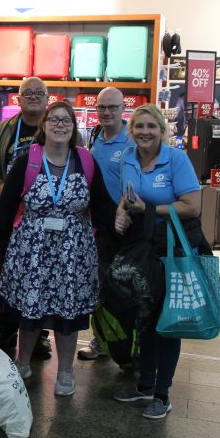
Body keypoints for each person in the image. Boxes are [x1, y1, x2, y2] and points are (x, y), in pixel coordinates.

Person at [0, 101, 115, 396]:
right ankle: (22, 362)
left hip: (73, 253)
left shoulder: (85, 161)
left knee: (68, 316)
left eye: (66, 120)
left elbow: (103, 205)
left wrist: (124, 228)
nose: (60, 125)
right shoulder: (29, 159)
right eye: (53, 120)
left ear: (73, 126)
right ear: (44, 125)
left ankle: (66, 372)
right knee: (30, 310)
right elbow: (6, 205)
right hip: (32, 251)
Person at [112, 104, 204, 419]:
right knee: (146, 318)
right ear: (131, 130)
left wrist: (149, 210)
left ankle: (162, 394)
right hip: (142, 247)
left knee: (168, 321)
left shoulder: (176, 159)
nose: (145, 132)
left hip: (173, 250)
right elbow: (128, 196)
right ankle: (145, 383)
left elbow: (192, 206)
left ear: (162, 130)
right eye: (139, 126)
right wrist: (123, 211)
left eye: (151, 126)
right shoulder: (127, 157)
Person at [0, 77, 56, 359]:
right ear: (19, 99)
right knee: (9, 273)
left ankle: (40, 334)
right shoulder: (5, 129)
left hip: (46, 218)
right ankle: (7, 327)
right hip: (11, 216)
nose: (34, 97)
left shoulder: (57, 127)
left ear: (47, 98)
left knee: (43, 274)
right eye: (28, 93)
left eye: (40, 92)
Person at [78, 86, 134, 362]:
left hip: (127, 225)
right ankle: (102, 338)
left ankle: (130, 345)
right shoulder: (95, 137)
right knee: (100, 284)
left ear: (124, 109)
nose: (107, 112)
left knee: (127, 286)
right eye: (102, 107)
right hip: (100, 226)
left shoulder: (133, 140)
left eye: (113, 107)